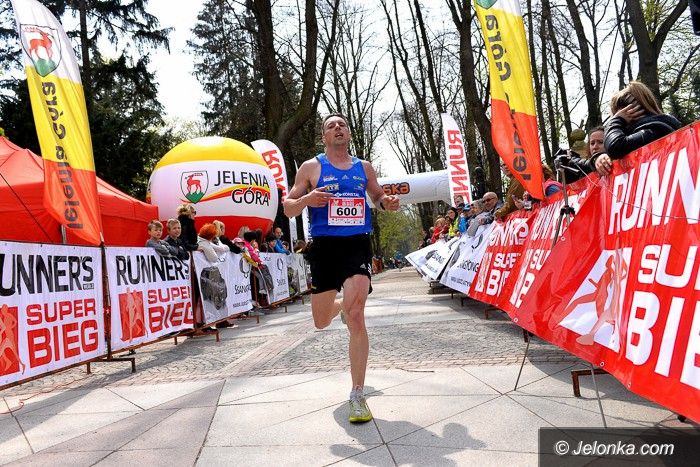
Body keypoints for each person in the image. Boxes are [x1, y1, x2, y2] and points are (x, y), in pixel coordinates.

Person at [283, 113, 400, 423]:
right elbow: (288, 207)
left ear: (349, 134)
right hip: (324, 248)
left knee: (358, 312)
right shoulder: (311, 167)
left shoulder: (364, 167)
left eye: (342, 125)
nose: (338, 128)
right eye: (331, 126)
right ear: (324, 137)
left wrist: (386, 203)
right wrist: (307, 199)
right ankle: (340, 309)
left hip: (356, 244)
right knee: (321, 321)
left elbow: (377, 196)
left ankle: (357, 394)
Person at [595, 81, 682, 176]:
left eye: (619, 116)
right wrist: (600, 158)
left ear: (631, 112)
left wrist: (615, 120)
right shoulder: (655, 129)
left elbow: (615, 147)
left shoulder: (655, 130)